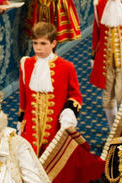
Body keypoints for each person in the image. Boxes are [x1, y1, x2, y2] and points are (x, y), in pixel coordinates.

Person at [19, 21, 82, 156]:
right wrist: (21, 121)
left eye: (43, 44)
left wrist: (69, 112)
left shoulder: (67, 67)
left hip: (55, 127)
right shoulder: (26, 64)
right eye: (35, 43)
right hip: (30, 128)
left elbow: (76, 96)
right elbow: (23, 96)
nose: (38, 49)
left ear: (53, 43)